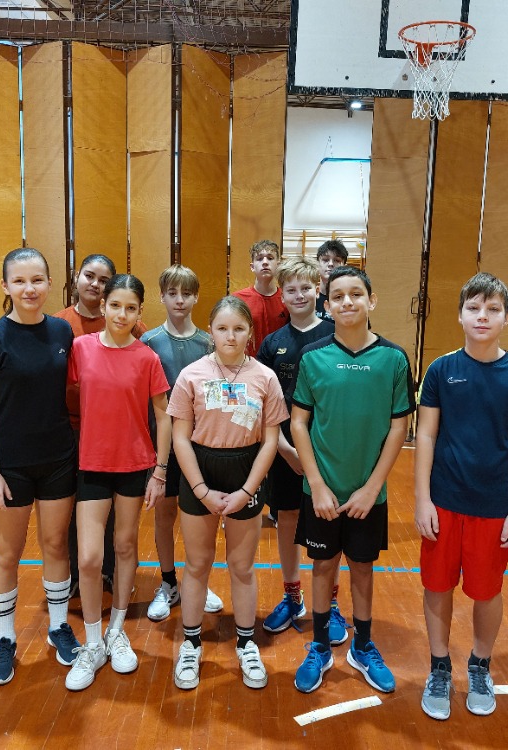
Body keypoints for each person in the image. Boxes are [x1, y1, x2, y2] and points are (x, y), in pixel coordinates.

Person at [414, 272, 508, 720]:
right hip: (444, 502)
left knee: (486, 591)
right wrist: (422, 499)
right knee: (437, 586)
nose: (482, 316)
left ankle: (480, 665)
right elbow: (426, 436)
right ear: (460, 315)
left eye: (492, 309)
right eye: (473, 308)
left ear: (507, 317)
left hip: (494, 506)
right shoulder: (440, 370)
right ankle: (439, 667)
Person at [290, 266, 415, 695]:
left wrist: (372, 487)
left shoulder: (393, 358)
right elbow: (299, 423)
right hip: (322, 491)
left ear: (371, 300)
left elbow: (399, 427)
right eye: (338, 296)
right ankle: (320, 646)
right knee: (323, 565)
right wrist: (317, 484)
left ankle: (362, 646)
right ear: (327, 306)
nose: (347, 302)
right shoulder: (313, 357)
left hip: (368, 493)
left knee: (362, 567)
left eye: (356, 294)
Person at [0, 248, 80, 686]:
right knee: (7, 552)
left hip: (58, 459)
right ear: (5, 286)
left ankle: (58, 626)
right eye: (19, 280)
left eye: (37, 280)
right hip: (10, 466)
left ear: (50, 283)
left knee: (55, 544)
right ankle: (5, 639)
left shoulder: (62, 331)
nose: (29, 288)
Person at [168, 296, 286, 691]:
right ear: (211, 331)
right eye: (222, 328)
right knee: (197, 563)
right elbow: (180, 438)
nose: (230, 336)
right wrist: (200, 489)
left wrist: (247, 489)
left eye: (238, 328)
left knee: (241, 565)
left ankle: (247, 643)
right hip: (199, 470)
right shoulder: (191, 375)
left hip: (245, 470)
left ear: (250, 332)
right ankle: (190, 643)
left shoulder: (265, 377)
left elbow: (270, 441)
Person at [64, 274, 172, 691]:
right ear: (104, 306)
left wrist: (160, 471)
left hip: (133, 466)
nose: (122, 314)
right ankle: (92, 643)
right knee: (90, 559)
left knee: (125, 546)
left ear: (140, 311)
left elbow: (163, 415)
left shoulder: (147, 358)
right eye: (115, 305)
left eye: (131, 308)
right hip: (91, 463)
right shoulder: (81, 348)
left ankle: (116, 630)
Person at [256, 259, 344, 641]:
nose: (299, 295)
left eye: (306, 288)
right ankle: (293, 597)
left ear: (318, 290)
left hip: (326, 453)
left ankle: (332, 604)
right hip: (285, 451)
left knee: (329, 523)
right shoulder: (272, 343)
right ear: (282, 295)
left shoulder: (336, 335)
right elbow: (265, 403)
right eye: (290, 289)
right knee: (287, 519)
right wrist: (285, 450)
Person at [55, 253, 146, 595]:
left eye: (103, 279)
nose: (94, 284)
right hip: (71, 429)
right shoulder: (60, 325)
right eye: (89, 276)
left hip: (114, 433)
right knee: (74, 507)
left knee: (112, 512)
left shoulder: (134, 328)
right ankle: (77, 574)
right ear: (76, 277)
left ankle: (109, 572)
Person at [140, 265, 224, 622]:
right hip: (162, 445)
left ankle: (198, 581)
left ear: (196, 297)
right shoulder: (148, 342)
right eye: (172, 293)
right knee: (165, 514)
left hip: (200, 445)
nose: (179, 300)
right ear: (161, 296)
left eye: (186, 294)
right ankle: (168, 582)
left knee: (200, 517)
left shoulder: (208, 343)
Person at [232, 239, 288, 356]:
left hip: (278, 361)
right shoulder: (237, 299)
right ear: (252, 267)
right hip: (247, 362)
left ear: (278, 265)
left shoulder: (287, 298)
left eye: (270, 258)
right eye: (259, 258)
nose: (265, 262)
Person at [314, 239, 348, 322]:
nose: (331, 264)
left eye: (337, 260)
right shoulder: (308, 297)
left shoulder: (350, 300)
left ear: (344, 266)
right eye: (325, 260)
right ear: (317, 264)